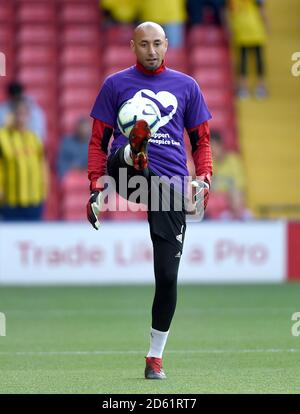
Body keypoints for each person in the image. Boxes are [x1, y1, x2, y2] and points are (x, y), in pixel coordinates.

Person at [86, 22, 212, 379]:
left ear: (167, 44)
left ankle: (154, 359)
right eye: (144, 44)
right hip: (125, 175)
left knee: (168, 276)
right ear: (132, 46)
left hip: (168, 188)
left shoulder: (187, 86)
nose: (152, 51)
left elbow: (202, 141)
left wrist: (203, 177)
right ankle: (134, 154)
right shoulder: (115, 85)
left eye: (157, 43)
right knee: (123, 156)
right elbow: (98, 141)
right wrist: (96, 186)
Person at [0, 100, 47, 221]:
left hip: (34, 199)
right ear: (11, 115)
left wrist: (44, 190)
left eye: (24, 114)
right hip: (10, 200)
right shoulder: (2, 137)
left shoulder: (34, 138)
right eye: (18, 114)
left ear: (29, 116)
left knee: (33, 237)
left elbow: (42, 166)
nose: (21, 118)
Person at [225, 0, 269, 99]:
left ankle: (255, 87)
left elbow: (228, 12)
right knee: (248, 61)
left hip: (251, 31)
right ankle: (249, 87)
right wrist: (266, 26)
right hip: (248, 31)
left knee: (253, 60)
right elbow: (262, 11)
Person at [207, 130, 252, 219]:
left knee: (236, 194)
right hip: (216, 196)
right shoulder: (209, 162)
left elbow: (239, 185)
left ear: (220, 145)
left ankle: (238, 221)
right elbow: (208, 186)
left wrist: (220, 187)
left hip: (231, 196)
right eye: (209, 148)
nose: (211, 151)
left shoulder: (234, 161)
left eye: (213, 147)